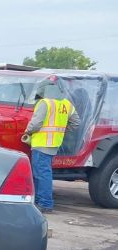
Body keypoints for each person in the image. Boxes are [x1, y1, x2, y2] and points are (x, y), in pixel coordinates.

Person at [21, 85, 80, 214]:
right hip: (54, 143)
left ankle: (45, 204)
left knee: (41, 174)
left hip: (42, 143)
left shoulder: (44, 103)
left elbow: (36, 124)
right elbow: (76, 123)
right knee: (43, 173)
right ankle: (40, 201)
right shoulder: (66, 104)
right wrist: (61, 132)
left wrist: (27, 131)